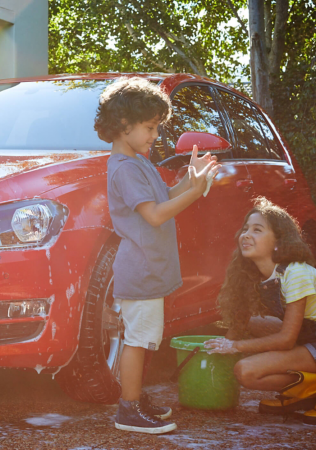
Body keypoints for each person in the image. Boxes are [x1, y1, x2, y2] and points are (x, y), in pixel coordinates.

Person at [96, 77, 218, 434]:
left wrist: (190, 180)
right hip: (141, 271)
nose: (154, 135)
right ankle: (127, 410)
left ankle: (135, 398)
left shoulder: (139, 161)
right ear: (123, 125)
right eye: (150, 128)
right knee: (138, 340)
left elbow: (163, 198)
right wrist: (194, 193)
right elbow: (154, 215)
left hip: (148, 269)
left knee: (146, 338)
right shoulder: (125, 167)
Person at [204, 197, 316, 426]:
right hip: (308, 335)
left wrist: (235, 347)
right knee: (251, 322)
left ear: (278, 241)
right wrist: (216, 357)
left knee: (246, 371)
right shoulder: (257, 273)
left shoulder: (296, 273)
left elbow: (286, 339)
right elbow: (241, 323)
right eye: (245, 229)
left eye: (257, 230)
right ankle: (303, 392)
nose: (246, 234)